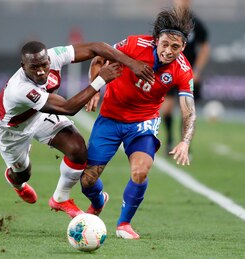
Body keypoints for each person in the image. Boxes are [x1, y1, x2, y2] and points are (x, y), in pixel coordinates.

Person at [0, 41, 154, 219]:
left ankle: (60, 198)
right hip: (12, 130)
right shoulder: (20, 89)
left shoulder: (55, 56)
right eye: (34, 67)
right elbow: (69, 108)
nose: (40, 71)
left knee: (77, 149)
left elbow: (96, 47)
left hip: (39, 115)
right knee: (22, 174)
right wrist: (100, 80)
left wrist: (131, 63)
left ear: (48, 60)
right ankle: (17, 184)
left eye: (44, 65)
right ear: (23, 66)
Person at [81, 7, 196, 239]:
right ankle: (99, 199)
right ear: (156, 41)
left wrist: (185, 142)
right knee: (87, 180)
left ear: (183, 47)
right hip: (111, 118)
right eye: (165, 44)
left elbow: (188, 111)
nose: (168, 51)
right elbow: (99, 57)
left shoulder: (183, 70)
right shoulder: (134, 45)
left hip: (143, 123)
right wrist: (94, 89)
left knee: (140, 171)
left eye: (175, 47)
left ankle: (124, 224)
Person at [161, 0, 210, 153]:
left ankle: (185, 145)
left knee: (187, 111)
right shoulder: (166, 21)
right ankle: (169, 140)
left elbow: (204, 48)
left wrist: (197, 71)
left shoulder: (196, 24)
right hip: (169, 71)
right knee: (167, 109)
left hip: (187, 74)